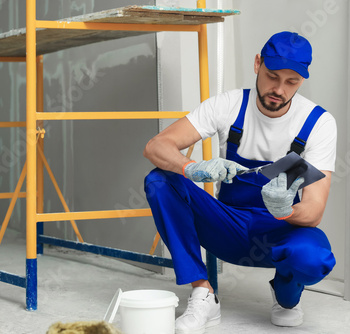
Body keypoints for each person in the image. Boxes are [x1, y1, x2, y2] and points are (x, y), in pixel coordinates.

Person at [143, 31, 337, 333]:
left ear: (302, 80)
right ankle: (203, 291)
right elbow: (156, 146)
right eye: (272, 76)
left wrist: (285, 209)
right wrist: (191, 167)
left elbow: (313, 211)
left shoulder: (317, 124)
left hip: (280, 233)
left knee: (313, 257)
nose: (279, 89)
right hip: (227, 226)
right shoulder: (228, 105)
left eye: (291, 82)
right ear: (257, 63)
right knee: (160, 181)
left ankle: (286, 296)